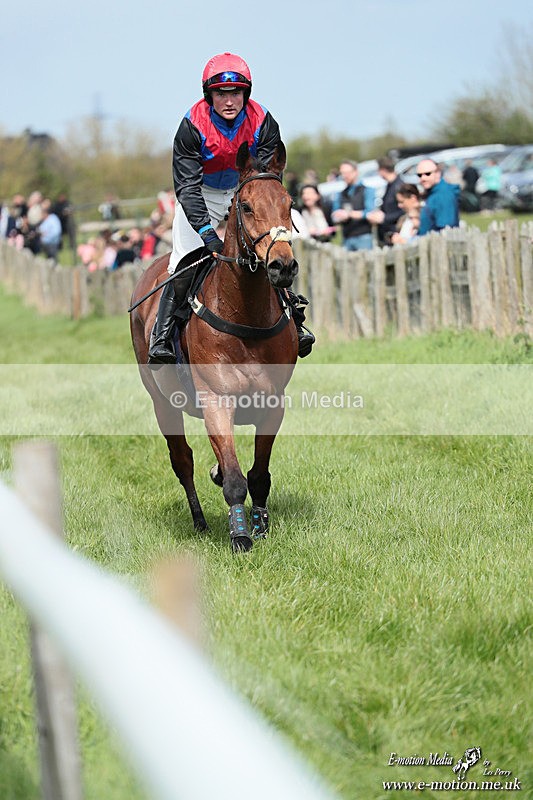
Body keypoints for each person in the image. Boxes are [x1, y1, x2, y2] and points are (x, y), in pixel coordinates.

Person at [149, 52, 315, 363]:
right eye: (221, 94)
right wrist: (207, 233)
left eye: (236, 93)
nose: (229, 101)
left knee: (271, 250)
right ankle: (161, 340)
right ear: (209, 95)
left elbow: (269, 177)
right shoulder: (191, 126)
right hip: (202, 193)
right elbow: (185, 187)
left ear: (246, 94)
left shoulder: (263, 121)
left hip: (247, 190)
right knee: (185, 261)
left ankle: (295, 319)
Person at [330, 160, 376, 251]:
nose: (345, 176)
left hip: (364, 237)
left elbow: (370, 212)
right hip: (347, 237)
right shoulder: (340, 194)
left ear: (356, 172)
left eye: (347, 173)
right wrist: (338, 216)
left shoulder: (367, 190)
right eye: (342, 173)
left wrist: (349, 214)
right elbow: (334, 214)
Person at [416, 158, 460, 235]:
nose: (423, 178)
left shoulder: (443, 195)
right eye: (419, 175)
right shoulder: (432, 193)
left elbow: (446, 230)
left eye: (427, 174)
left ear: (438, 173)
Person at [366, 156, 404, 245]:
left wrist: (384, 218)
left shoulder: (399, 186)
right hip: (388, 233)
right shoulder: (390, 185)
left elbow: (403, 211)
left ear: (382, 170)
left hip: (397, 233)